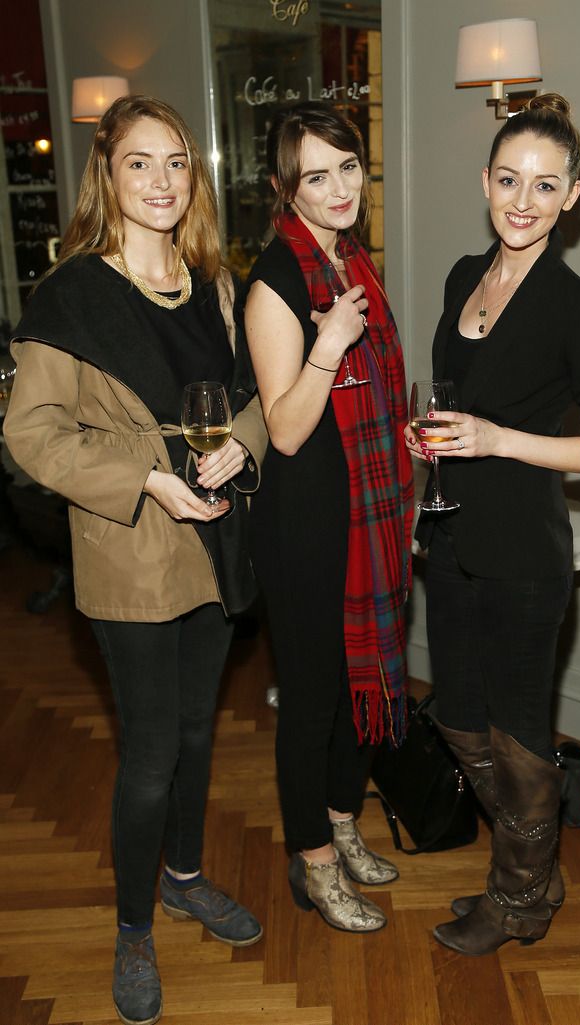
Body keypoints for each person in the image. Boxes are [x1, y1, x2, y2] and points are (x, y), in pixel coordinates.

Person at [4, 95, 267, 1025]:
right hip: (132, 547)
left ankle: (186, 876)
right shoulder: (71, 295)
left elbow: (255, 397)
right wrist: (149, 481)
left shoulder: (213, 282)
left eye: (176, 163)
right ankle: (131, 929)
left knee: (200, 733)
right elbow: (26, 434)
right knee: (151, 753)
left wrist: (242, 441)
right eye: (140, 164)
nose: (161, 181)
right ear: (107, 177)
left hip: (216, 540)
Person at [408, 93, 580, 956]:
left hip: (524, 558)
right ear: (486, 181)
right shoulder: (462, 275)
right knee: (458, 717)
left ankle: (518, 900)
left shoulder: (579, 306)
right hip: (453, 539)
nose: (523, 200)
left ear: (571, 195)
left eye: (546, 186)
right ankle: (535, 862)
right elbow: (458, 401)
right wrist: (432, 435)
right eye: (510, 180)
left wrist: (497, 438)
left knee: (521, 737)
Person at [244, 102, 413, 932]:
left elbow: (377, 398)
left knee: (359, 692)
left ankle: (345, 823)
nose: (341, 186)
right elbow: (283, 426)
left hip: (367, 517)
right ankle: (313, 859)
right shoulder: (277, 279)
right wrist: (329, 342)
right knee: (312, 700)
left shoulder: (352, 261)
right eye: (318, 174)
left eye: (349, 166)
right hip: (308, 528)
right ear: (287, 186)